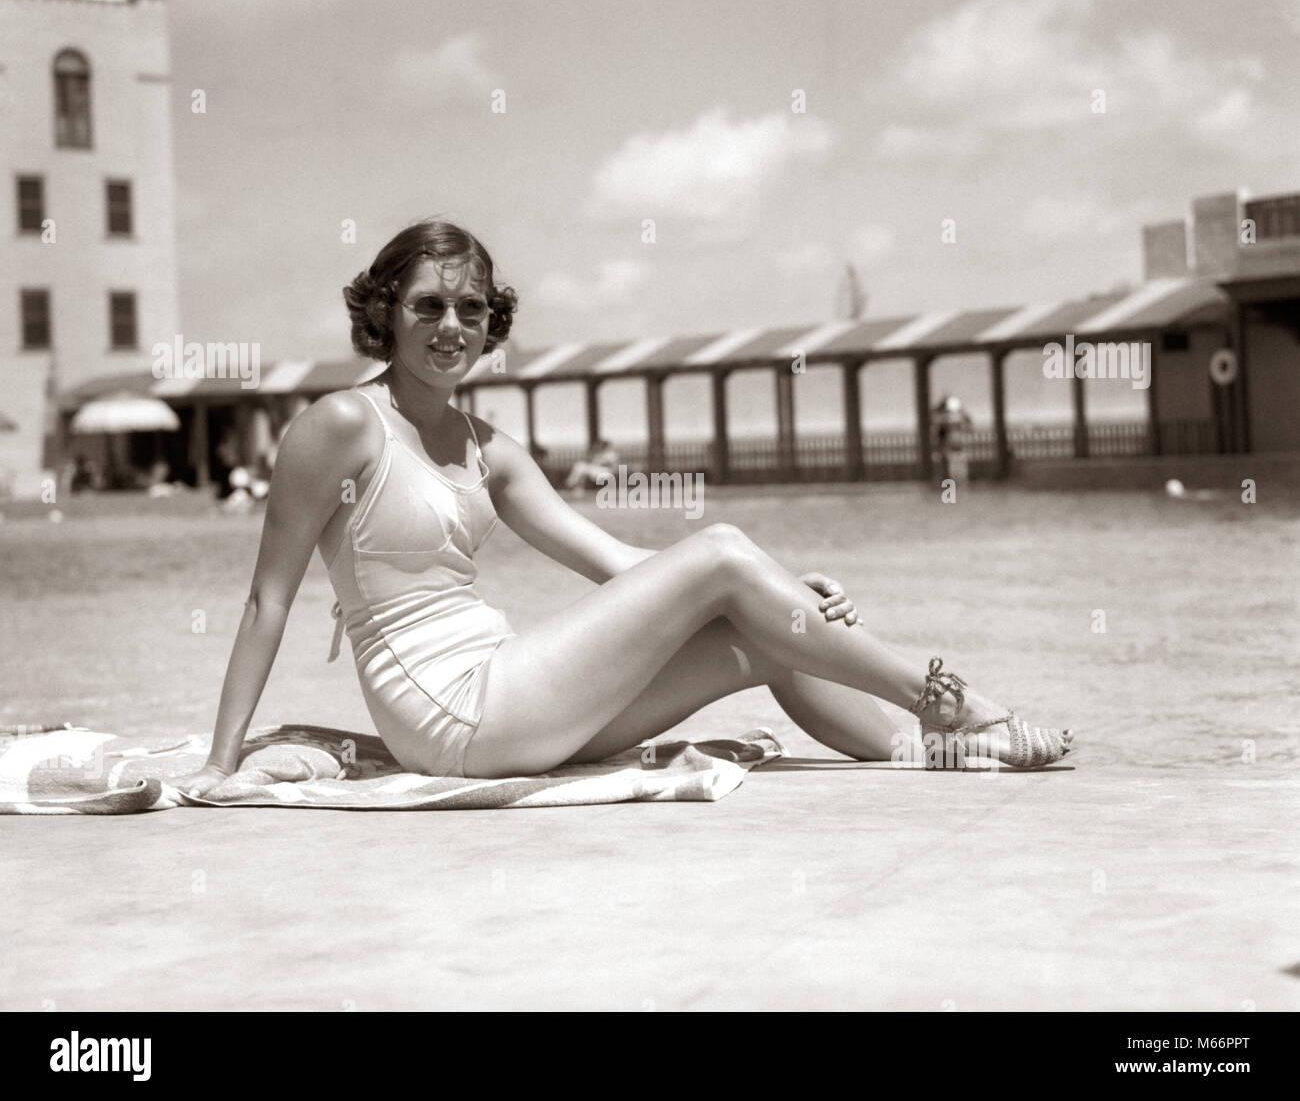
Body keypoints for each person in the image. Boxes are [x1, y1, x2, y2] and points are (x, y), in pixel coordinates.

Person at [175, 221, 1071, 798]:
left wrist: (782, 590)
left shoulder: (492, 450)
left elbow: (618, 566)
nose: (452, 326)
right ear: (385, 312)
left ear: (492, 323)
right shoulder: (341, 425)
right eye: (428, 305)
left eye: (471, 308)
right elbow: (267, 600)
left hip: (512, 687)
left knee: (766, 635)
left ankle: (923, 749)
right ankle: (946, 699)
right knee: (721, 550)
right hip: (448, 713)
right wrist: (221, 762)